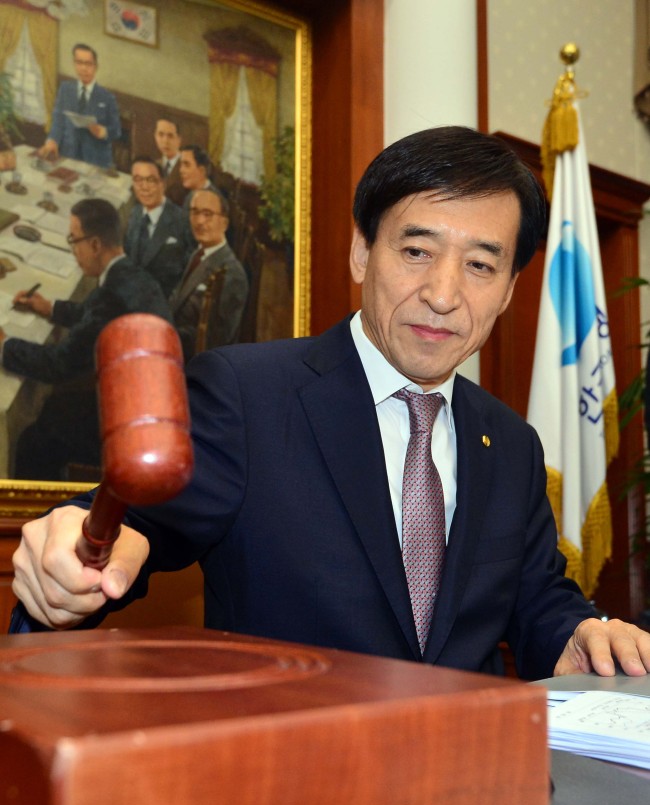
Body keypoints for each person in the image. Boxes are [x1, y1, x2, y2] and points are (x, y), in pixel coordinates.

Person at [10, 127, 650, 682]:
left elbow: (538, 600)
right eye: (417, 251)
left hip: (470, 788)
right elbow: (137, 526)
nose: (444, 294)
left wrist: (582, 634)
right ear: (361, 252)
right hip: (292, 790)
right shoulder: (248, 394)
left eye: (481, 266)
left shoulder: (510, 442)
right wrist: (79, 554)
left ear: (509, 290)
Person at [3, 198, 172, 481]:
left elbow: (57, 364)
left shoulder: (111, 297)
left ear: (95, 245)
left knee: (32, 437)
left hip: (129, 426)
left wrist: (5, 343)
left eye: (74, 240)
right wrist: (50, 308)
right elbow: (91, 314)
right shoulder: (129, 274)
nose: (73, 250)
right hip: (149, 400)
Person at [169, 188, 249, 361]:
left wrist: (164, 335)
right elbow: (178, 299)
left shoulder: (231, 274)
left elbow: (215, 340)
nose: (199, 221)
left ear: (224, 224)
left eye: (208, 214)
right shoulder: (199, 253)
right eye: (195, 212)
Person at [39, 44, 121, 169]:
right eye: (79, 62)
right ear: (74, 64)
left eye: (88, 64)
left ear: (96, 67)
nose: (83, 68)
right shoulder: (65, 89)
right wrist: (52, 141)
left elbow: (117, 131)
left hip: (96, 161)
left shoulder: (107, 97)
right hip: (67, 156)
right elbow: (58, 122)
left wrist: (103, 132)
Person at [124, 156, 191, 298]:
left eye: (151, 180)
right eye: (138, 180)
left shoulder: (182, 221)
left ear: (163, 184)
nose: (144, 187)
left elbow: (189, 274)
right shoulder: (135, 213)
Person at [154, 118, 186, 207]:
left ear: (179, 140)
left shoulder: (187, 167)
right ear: (155, 136)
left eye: (170, 136)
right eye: (160, 135)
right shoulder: (154, 165)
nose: (165, 141)